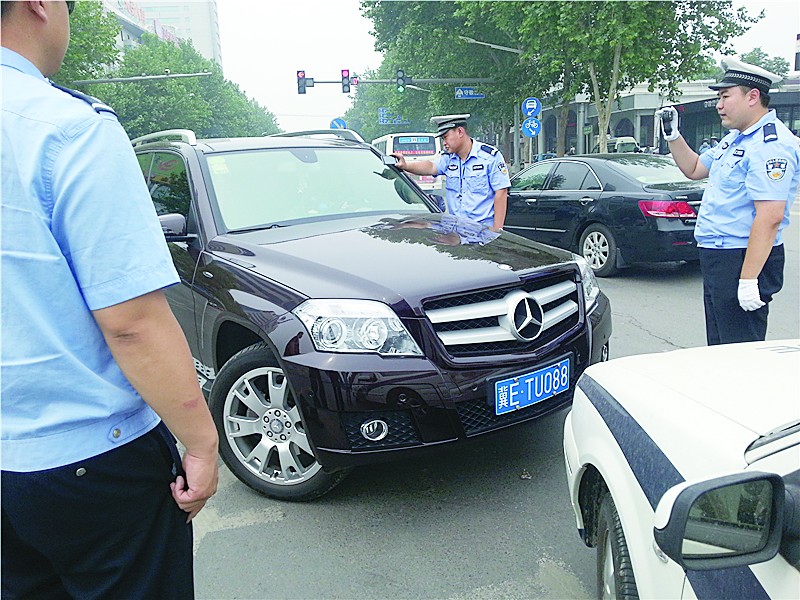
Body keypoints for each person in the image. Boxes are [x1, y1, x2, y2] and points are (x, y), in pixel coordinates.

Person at [1, 2, 219, 598]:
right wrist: (200, 445)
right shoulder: (66, 128)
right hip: (91, 458)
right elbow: (132, 323)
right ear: (40, 5)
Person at [656, 57, 799, 346]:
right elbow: (695, 169)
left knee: (739, 352)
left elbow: (770, 216)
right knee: (720, 347)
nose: (719, 105)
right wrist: (673, 136)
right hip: (719, 256)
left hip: (742, 258)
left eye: (725, 96)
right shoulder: (735, 139)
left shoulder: (770, 146)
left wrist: (748, 280)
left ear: (753, 97)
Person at [392, 114, 511, 231]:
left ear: (460, 131)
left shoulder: (489, 157)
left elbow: (501, 193)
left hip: (482, 231)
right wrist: (405, 165)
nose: (444, 143)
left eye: (445, 137)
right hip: (456, 233)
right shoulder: (448, 159)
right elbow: (431, 166)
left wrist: (496, 231)